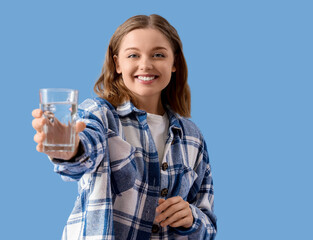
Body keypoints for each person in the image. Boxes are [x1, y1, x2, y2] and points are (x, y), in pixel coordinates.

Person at [32, 14, 217, 240]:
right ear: (117, 63)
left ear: (175, 63)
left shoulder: (192, 136)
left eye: (158, 54)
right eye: (133, 55)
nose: (146, 64)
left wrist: (191, 217)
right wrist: (70, 149)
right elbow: (85, 150)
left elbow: (208, 226)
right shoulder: (100, 115)